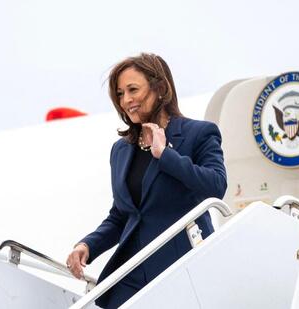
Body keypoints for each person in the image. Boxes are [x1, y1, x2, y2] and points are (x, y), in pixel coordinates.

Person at [66, 53, 227, 308]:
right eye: (120, 94)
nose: (126, 100)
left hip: (179, 264)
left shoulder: (199, 133)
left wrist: (166, 155)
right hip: (131, 270)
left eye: (133, 90)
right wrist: (88, 245)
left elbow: (216, 186)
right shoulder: (120, 150)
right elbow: (122, 215)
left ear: (160, 88)